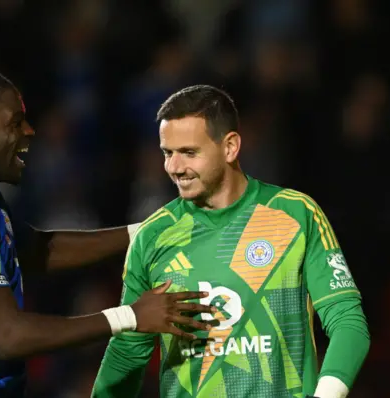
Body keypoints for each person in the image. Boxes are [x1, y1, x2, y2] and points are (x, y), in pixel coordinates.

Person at [0, 51, 216, 398]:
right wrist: (130, 316)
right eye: (14, 123)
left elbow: (38, 250)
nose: (29, 131)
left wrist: (149, 232)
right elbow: (9, 336)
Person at [92, 85, 370, 398]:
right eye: (167, 153)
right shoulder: (153, 237)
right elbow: (128, 352)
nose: (174, 167)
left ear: (230, 147)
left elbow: (347, 323)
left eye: (189, 153)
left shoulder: (294, 215)